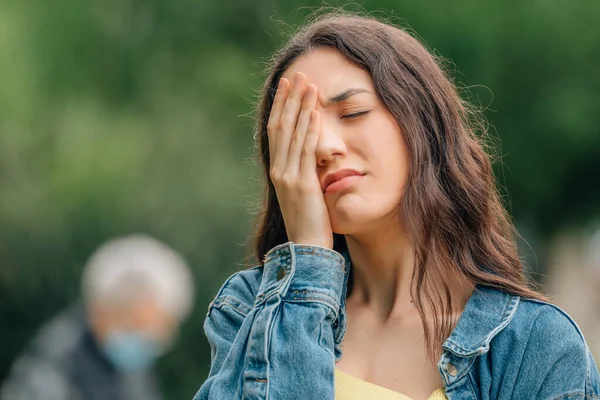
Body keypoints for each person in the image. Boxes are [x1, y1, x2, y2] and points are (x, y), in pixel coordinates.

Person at [194, 10, 600, 400]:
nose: (323, 148)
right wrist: (307, 268)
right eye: (299, 134)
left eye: (353, 113)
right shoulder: (251, 309)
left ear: (420, 121)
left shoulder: (534, 346)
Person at [1, 234, 195, 400]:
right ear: (99, 310)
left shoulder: (131, 373)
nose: (146, 337)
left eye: (157, 328)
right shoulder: (50, 375)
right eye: (135, 324)